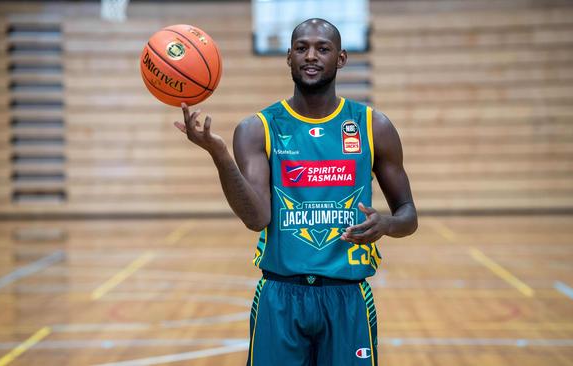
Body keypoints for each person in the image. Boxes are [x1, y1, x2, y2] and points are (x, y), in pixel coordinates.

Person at [174, 18, 417, 366]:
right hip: (280, 295)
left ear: (342, 58)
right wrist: (219, 154)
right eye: (301, 48)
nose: (311, 56)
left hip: (346, 296)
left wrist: (386, 224)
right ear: (289, 57)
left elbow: (409, 214)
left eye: (323, 48)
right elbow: (256, 218)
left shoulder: (372, 126)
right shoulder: (258, 129)